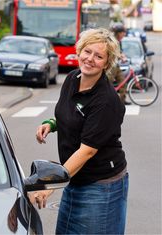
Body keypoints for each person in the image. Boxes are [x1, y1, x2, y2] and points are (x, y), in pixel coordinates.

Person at [30, 28, 129, 234]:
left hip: (101, 187)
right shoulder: (73, 78)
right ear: (79, 51)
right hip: (74, 179)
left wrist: (50, 186)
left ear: (107, 63)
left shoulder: (106, 101)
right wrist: (52, 123)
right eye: (87, 51)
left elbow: (87, 151)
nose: (90, 59)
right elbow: (68, 114)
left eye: (99, 56)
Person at [109, 22, 131, 105]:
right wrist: (121, 56)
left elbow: (119, 51)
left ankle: (122, 101)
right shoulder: (112, 40)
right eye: (123, 33)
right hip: (111, 66)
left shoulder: (118, 41)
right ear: (118, 33)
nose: (124, 35)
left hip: (116, 65)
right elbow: (112, 52)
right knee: (108, 83)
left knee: (123, 82)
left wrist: (122, 54)